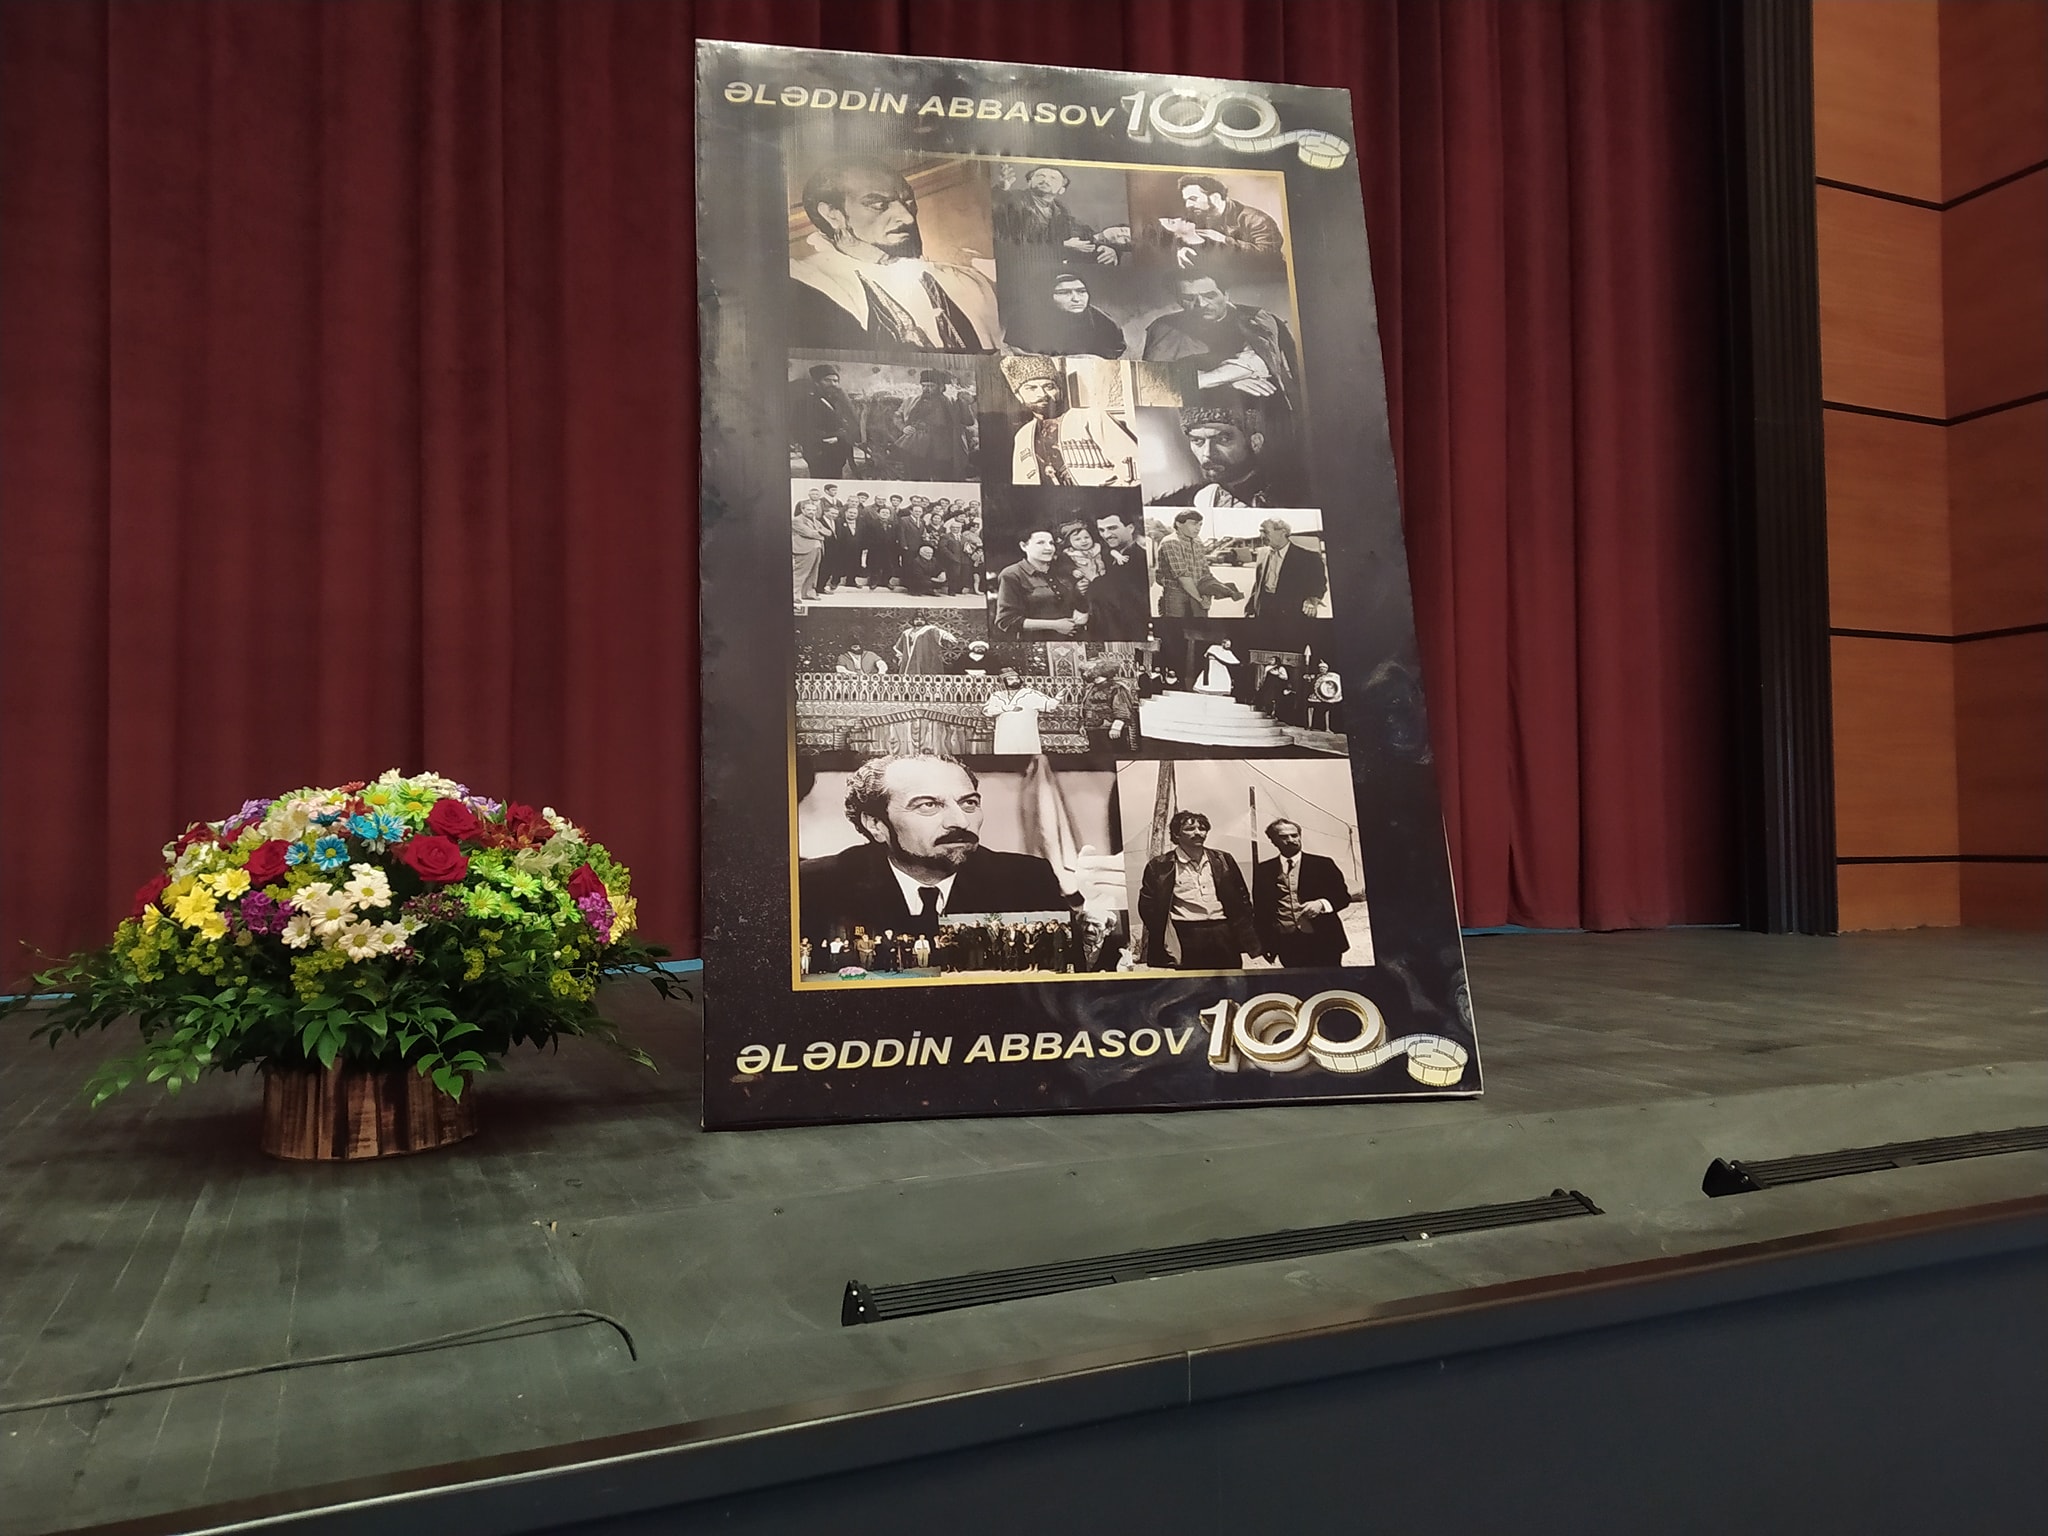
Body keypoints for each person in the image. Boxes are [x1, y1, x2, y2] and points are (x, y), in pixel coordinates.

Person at [799, 752, 1068, 938]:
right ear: (876, 824)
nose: (960, 821)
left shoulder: (1027, 879)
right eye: (928, 805)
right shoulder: (815, 885)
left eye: (969, 803)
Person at [789, 157, 1001, 352]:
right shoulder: (806, 287)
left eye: (908, 202)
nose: (907, 217)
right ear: (832, 215)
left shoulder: (968, 281)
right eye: (879, 205)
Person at [1141, 264, 1300, 417]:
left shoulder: (1256, 318)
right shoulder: (1162, 327)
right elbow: (1152, 384)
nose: (1201, 304)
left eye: (1210, 296)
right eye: (1189, 298)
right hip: (1189, 413)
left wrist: (1197, 380)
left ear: (1225, 294)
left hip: (1256, 408)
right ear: (1178, 300)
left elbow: (1258, 362)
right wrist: (1230, 380)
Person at [1138, 810, 1256, 970]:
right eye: (1190, 829)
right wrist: (1166, 937)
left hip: (1222, 931)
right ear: (1176, 834)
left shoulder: (1223, 859)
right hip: (1186, 933)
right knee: (1191, 981)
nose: (1198, 833)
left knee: (1230, 979)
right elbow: (1148, 906)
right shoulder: (1160, 865)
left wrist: (1243, 932)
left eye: (1202, 828)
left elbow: (1242, 897)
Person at [1001, 356, 1138, 488]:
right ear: (1019, 396)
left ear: (1059, 390)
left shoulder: (1091, 417)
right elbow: (1021, 482)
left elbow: (1132, 463)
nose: (1042, 394)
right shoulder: (1023, 435)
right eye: (1031, 388)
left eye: (1049, 387)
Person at [1155, 397, 1303, 508]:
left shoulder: (1294, 498)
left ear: (1255, 442)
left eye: (1223, 439)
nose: (1207, 453)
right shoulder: (1177, 505)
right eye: (1197, 441)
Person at [1253, 818, 1353, 968]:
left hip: (1323, 939)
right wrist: (1266, 943)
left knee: (1329, 980)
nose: (1291, 840)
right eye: (1283, 837)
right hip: (1287, 942)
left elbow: (1342, 897)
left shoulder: (1323, 865)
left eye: (1294, 835)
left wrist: (1321, 904)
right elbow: (1261, 910)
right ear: (1273, 841)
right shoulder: (1264, 870)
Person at [992, 165, 1126, 264]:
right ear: (1029, 182)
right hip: (1013, 264)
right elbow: (993, 211)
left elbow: (1084, 235)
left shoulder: (1061, 212)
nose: (1046, 180)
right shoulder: (1014, 199)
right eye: (1040, 176)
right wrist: (1001, 189)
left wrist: (1109, 249)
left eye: (1053, 178)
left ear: (1061, 189)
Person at [1160, 174, 1284, 268]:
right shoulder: (1197, 217)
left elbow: (1270, 256)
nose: (1188, 205)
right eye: (1186, 200)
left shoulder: (1258, 220)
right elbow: (1182, 235)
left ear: (1215, 197)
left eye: (1193, 199)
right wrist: (1180, 250)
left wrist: (1223, 239)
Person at [992, 528, 1087, 638]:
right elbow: (1006, 621)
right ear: (1024, 546)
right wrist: (1055, 625)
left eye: (1051, 543)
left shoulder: (1063, 569)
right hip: (1037, 640)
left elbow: (1077, 602)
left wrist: (1082, 611)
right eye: (1040, 543)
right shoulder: (1011, 574)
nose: (1049, 548)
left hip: (1076, 638)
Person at [1016, 271, 1128, 358]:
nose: (1076, 299)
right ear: (1047, 296)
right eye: (1064, 292)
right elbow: (1018, 350)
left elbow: (1114, 350)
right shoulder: (1027, 320)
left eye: (1081, 291)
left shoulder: (1104, 322)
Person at [1154, 510, 1239, 619]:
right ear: (1179, 524)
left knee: (1199, 627)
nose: (1198, 528)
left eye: (1200, 524)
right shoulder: (1171, 542)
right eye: (1194, 524)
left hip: (1198, 591)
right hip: (1176, 594)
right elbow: (1182, 576)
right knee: (1175, 627)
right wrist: (1200, 600)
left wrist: (1210, 592)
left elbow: (1205, 571)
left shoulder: (1197, 542)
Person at [1084, 505, 1152, 641]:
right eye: (1101, 530)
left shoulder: (1141, 559)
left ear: (1130, 528)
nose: (1106, 535)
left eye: (1112, 528)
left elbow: (1126, 599)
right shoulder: (1106, 556)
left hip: (1129, 633)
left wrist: (1093, 580)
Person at [1243, 517, 1328, 619]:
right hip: (1263, 612)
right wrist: (1250, 608)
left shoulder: (1309, 557)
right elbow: (1258, 584)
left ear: (1282, 532)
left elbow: (1318, 584)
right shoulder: (1262, 553)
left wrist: (1312, 599)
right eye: (1260, 532)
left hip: (1293, 614)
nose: (1261, 536)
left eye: (1265, 532)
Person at [897, 370, 974, 479]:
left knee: (944, 477)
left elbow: (969, 421)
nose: (926, 389)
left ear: (941, 387)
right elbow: (897, 415)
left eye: (931, 386)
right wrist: (903, 427)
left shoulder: (952, 402)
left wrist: (965, 404)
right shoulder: (911, 401)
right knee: (917, 478)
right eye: (923, 386)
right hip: (916, 445)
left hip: (943, 447)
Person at [793, 365, 858, 478]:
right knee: (820, 480)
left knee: (836, 479)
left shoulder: (840, 401)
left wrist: (841, 437)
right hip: (819, 453)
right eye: (827, 380)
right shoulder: (805, 403)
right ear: (817, 383)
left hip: (839, 452)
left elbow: (852, 422)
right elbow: (798, 427)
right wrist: (822, 439)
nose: (832, 384)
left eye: (835, 381)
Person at [983, 668, 1059, 754]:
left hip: (1025, 734)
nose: (1015, 681)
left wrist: (1058, 698)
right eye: (1010, 679)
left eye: (1016, 679)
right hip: (1005, 734)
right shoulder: (996, 696)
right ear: (1003, 682)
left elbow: (1050, 706)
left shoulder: (1030, 693)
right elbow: (987, 711)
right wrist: (1006, 708)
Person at [1078, 661, 1139, 752]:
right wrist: (1083, 725)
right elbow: (1085, 707)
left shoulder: (1116, 688)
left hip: (1110, 730)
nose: (1085, 674)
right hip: (1093, 729)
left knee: (1113, 755)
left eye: (1088, 671)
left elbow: (1122, 709)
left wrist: (1116, 727)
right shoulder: (1089, 688)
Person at [791, 495, 828, 604]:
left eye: (814, 510)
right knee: (800, 573)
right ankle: (793, 594)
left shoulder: (816, 521)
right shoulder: (797, 520)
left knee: (813, 572)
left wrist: (819, 532)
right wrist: (820, 533)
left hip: (817, 548)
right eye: (809, 510)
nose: (812, 512)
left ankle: (808, 593)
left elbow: (829, 532)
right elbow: (809, 533)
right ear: (803, 510)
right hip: (804, 549)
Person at [895, 616, 963, 674]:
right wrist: (900, 657)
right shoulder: (906, 633)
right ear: (913, 621)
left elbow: (940, 633)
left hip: (924, 658)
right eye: (917, 619)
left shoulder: (930, 629)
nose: (919, 621)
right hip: (908, 658)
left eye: (922, 619)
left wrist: (948, 636)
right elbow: (900, 647)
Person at [1306, 660, 1344, 732]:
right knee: (1311, 708)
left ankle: (1327, 728)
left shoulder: (1330, 676)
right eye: (1320, 667)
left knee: (1327, 710)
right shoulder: (1315, 676)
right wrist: (1309, 679)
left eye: (1324, 668)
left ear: (1327, 669)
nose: (1322, 669)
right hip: (1315, 695)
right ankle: (1309, 726)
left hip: (1326, 695)